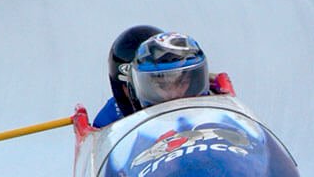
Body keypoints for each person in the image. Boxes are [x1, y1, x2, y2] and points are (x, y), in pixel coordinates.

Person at [93, 27, 235, 128]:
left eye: (180, 81)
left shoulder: (211, 95)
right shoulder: (108, 121)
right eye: (161, 85)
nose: (174, 94)